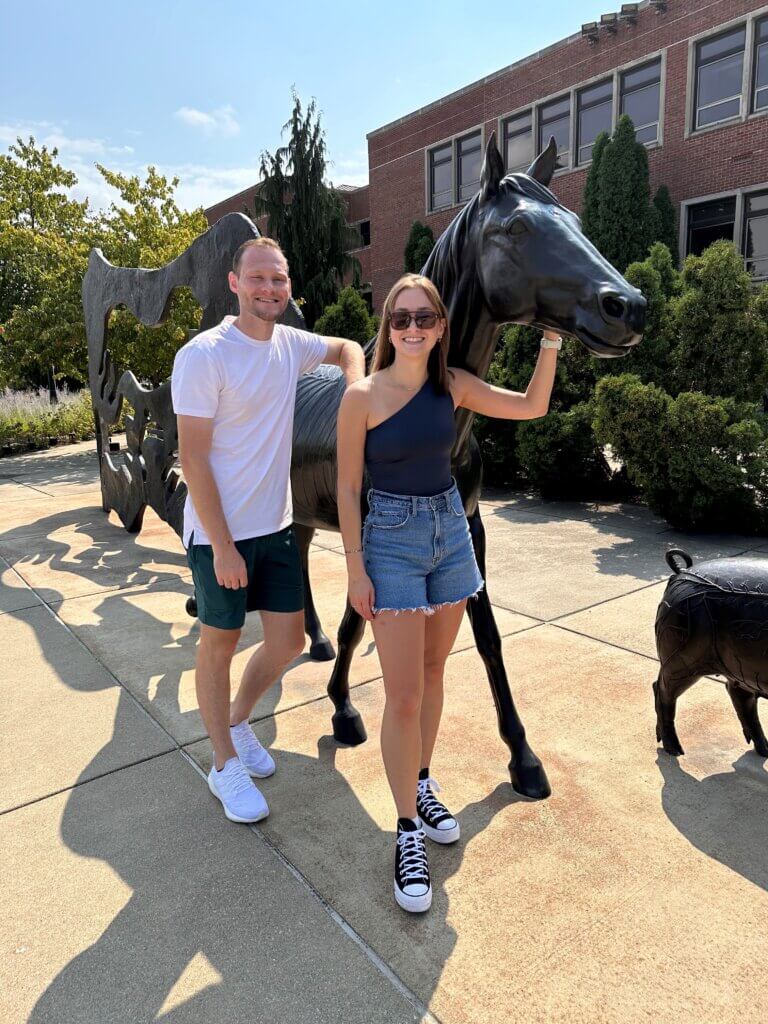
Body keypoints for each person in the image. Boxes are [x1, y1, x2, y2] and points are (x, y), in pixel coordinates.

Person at [336, 273, 562, 913]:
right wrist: (355, 568)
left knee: (435, 674)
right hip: (391, 542)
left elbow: (531, 407)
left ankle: (422, 781)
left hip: (450, 535)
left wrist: (550, 340)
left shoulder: (452, 385)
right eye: (401, 318)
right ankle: (407, 829)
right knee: (402, 696)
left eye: (424, 318)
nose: (413, 328)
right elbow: (349, 489)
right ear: (388, 325)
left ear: (440, 327)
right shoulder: (362, 397)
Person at [172, 237, 364, 825]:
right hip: (219, 534)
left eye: (278, 279)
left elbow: (348, 346)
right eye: (257, 278)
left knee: (285, 643)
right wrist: (223, 545)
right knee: (220, 645)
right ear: (234, 284)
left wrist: (355, 393)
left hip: (278, 526)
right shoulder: (205, 355)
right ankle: (223, 763)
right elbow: (195, 459)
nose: (269, 289)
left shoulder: (290, 344)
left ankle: (237, 719)